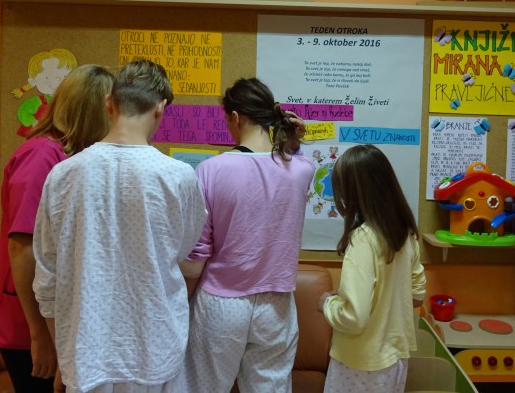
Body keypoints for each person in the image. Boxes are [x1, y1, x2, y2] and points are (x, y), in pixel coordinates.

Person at [33, 58, 207, 393]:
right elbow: (184, 251)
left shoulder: (64, 175)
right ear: (160, 108)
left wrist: (63, 351)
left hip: (85, 351)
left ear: (109, 103)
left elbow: (47, 274)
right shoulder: (179, 177)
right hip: (154, 347)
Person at [0, 64, 115, 393]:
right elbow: (22, 247)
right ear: (97, 111)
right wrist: (40, 334)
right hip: (28, 323)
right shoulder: (41, 156)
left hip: (51, 317)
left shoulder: (70, 156)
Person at [181, 77, 315, 393]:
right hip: (276, 305)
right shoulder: (301, 170)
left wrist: (184, 299)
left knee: (204, 387)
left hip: (222, 303)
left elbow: (198, 252)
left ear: (236, 117)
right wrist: (293, 143)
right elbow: (296, 158)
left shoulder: (211, 170)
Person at [319, 144, 426, 393]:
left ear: (353, 193)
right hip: (396, 359)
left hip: (360, 363)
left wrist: (327, 303)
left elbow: (354, 318)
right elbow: (417, 297)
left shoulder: (363, 240)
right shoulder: (406, 234)